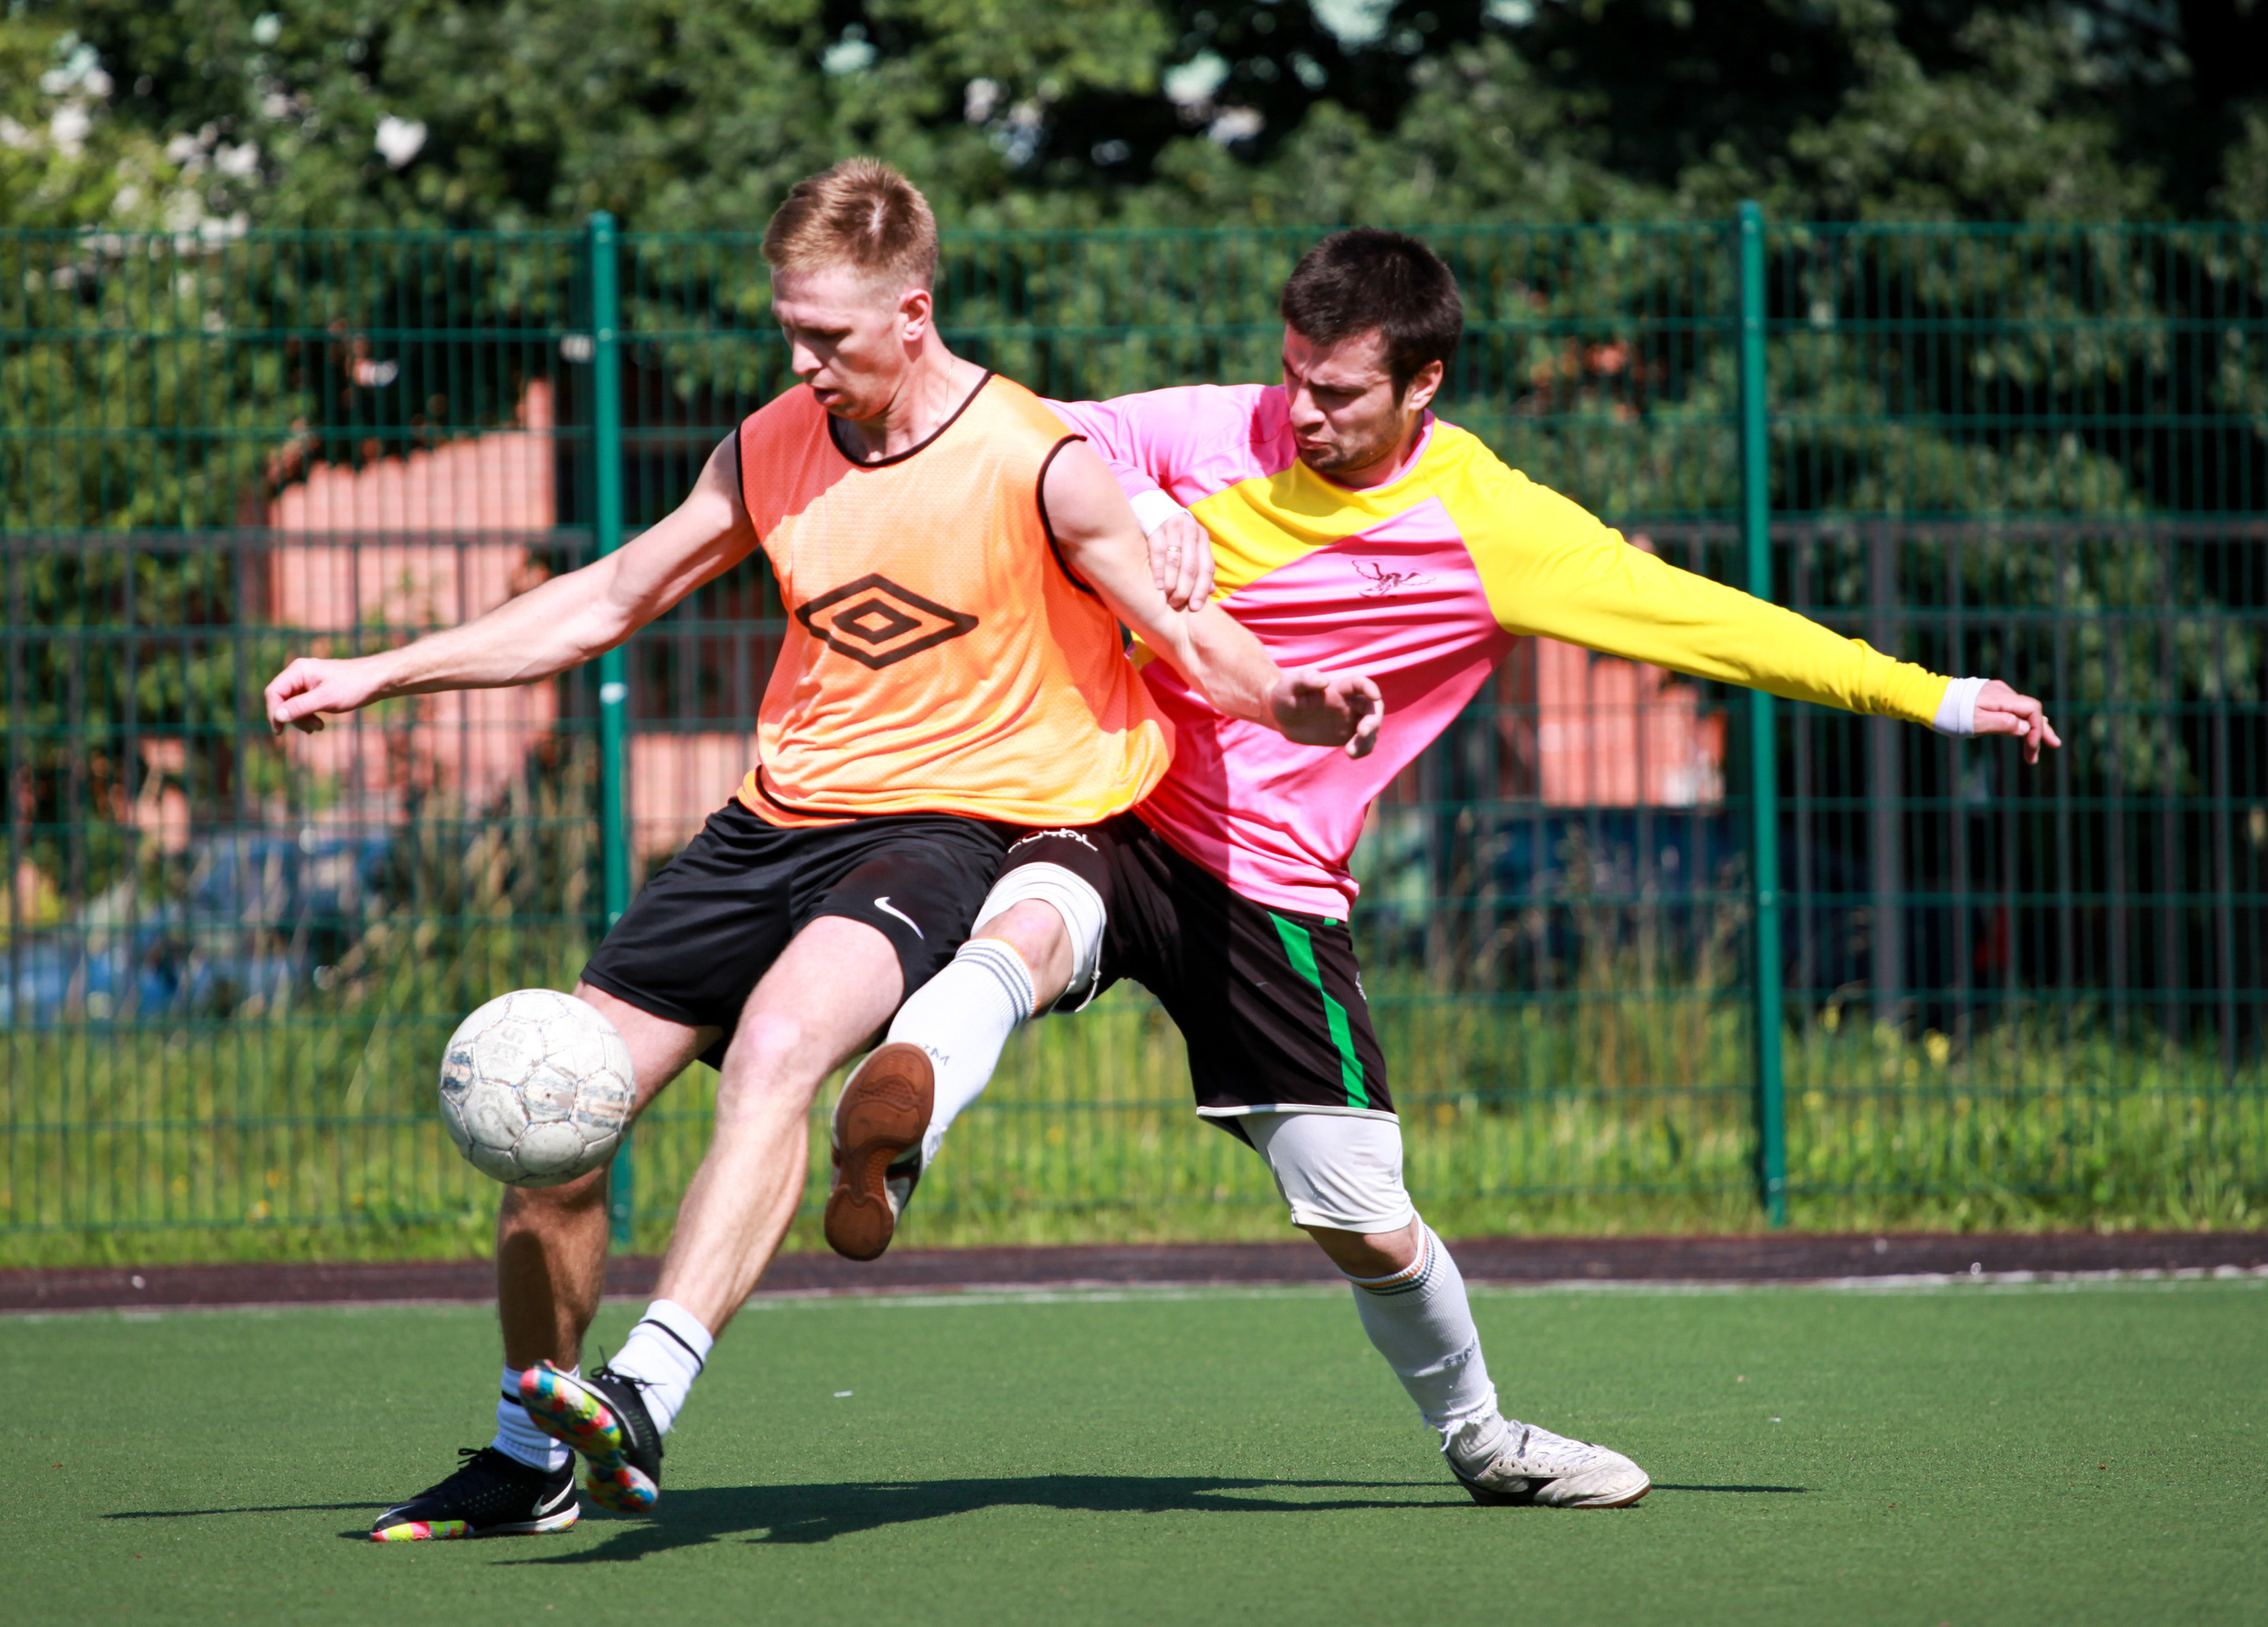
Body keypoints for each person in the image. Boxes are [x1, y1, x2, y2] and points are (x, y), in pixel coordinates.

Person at [820, 227, 2062, 1511]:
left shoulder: (1493, 528)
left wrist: (1939, 696)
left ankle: (1483, 1441)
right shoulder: (1217, 425)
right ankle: (900, 1121)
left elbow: (1717, 627)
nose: (1298, 410)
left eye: (1337, 391)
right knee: (1025, 928)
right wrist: (1137, 506)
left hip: (1276, 887)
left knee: (1361, 1216)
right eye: (1291, 372)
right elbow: (1029, 428)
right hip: (1124, 794)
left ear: (1426, 387)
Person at [264, 161, 1379, 1542]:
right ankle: (526, 1456)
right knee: (559, 1112)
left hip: (946, 825)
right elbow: (610, 597)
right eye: (787, 328)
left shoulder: (1035, 462)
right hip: (765, 825)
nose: (801, 361)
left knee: (790, 1042)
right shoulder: (772, 445)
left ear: (913, 314)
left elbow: (1188, 631)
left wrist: (1294, 700)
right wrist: (383, 672)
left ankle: (648, 1388)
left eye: (829, 338)